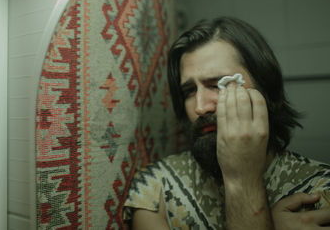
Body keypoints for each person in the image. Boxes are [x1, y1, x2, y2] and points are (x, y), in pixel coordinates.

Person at [123, 17, 330, 229]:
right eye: (189, 91)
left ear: (264, 89)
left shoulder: (320, 189)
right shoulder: (154, 186)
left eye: (218, 84)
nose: (200, 107)